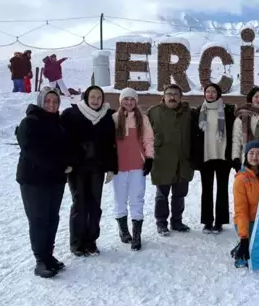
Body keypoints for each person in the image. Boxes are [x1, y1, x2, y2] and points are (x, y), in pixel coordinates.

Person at [16, 87, 71, 277]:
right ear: (41, 101)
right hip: (33, 180)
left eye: (55, 101)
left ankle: (49, 255)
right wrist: (58, 166)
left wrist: (71, 162)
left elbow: (66, 148)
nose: (52, 104)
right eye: (48, 101)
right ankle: (40, 260)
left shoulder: (59, 123)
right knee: (38, 220)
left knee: (52, 218)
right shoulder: (30, 122)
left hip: (55, 180)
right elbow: (32, 152)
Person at [61, 86, 117, 256]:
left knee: (95, 204)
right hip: (77, 167)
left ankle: (91, 240)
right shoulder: (71, 115)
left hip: (97, 168)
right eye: (92, 97)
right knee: (80, 203)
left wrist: (111, 167)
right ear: (86, 97)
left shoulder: (107, 117)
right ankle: (77, 242)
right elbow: (63, 140)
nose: (95, 100)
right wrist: (67, 162)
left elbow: (110, 144)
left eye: (99, 97)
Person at [147, 84, 195, 236]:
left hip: (183, 161)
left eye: (175, 94)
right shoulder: (154, 112)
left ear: (181, 97)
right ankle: (161, 223)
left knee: (180, 194)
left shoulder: (189, 113)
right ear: (164, 96)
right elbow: (144, 135)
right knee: (162, 195)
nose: (172, 97)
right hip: (162, 160)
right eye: (169, 94)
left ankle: (177, 221)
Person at [112, 88, 154, 251]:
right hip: (119, 166)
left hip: (137, 165)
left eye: (132, 99)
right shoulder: (114, 118)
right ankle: (124, 231)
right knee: (120, 199)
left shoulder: (142, 119)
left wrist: (149, 158)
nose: (129, 102)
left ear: (136, 101)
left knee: (137, 199)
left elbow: (148, 139)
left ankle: (137, 235)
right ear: (121, 101)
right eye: (125, 99)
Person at [192, 83, 236, 234]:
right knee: (207, 190)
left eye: (213, 91)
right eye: (208, 91)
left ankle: (220, 221)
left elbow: (234, 132)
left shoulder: (228, 110)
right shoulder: (199, 111)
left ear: (218, 94)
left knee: (222, 190)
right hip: (206, 157)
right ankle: (207, 221)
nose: (210, 94)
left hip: (223, 156)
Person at [231, 141, 259, 268]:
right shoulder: (241, 179)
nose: (255, 157)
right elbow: (241, 211)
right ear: (246, 156)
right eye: (251, 153)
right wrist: (244, 237)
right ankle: (242, 246)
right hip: (249, 222)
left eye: (258, 153)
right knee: (250, 259)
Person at [231, 87, 259, 172]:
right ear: (251, 97)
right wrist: (235, 158)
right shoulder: (241, 116)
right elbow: (236, 139)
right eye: (256, 97)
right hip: (245, 158)